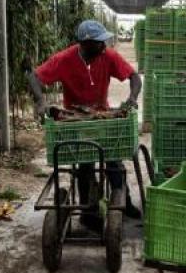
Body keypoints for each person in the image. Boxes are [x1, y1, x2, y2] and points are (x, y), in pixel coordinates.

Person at [28, 19, 143, 230]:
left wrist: (133, 96)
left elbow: (134, 77)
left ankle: (123, 202)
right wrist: (40, 101)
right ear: (85, 43)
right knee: (85, 164)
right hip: (76, 120)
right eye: (100, 42)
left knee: (114, 160)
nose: (104, 45)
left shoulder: (107, 56)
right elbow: (35, 77)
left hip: (101, 117)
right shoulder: (64, 59)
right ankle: (87, 211)